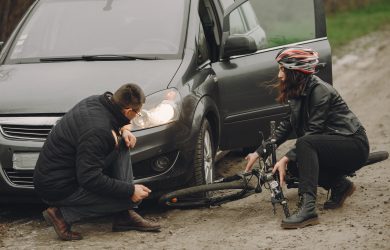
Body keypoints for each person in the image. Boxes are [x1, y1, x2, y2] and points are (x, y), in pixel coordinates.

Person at [245, 47, 369, 229]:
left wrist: (286, 157)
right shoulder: (298, 90)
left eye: (282, 70)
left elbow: (313, 133)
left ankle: (308, 208)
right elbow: (285, 126)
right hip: (331, 142)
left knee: (303, 145)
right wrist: (258, 152)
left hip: (353, 144)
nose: (279, 75)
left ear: (295, 72)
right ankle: (340, 185)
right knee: (292, 166)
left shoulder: (320, 91)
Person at [33, 83, 161, 241]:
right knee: (131, 197)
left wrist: (125, 130)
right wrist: (129, 191)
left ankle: (124, 216)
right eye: (138, 114)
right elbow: (89, 178)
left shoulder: (97, 102)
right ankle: (62, 214)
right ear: (128, 111)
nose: (137, 116)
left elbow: (118, 123)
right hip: (58, 186)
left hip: (64, 171)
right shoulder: (98, 131)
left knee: (123, 144)